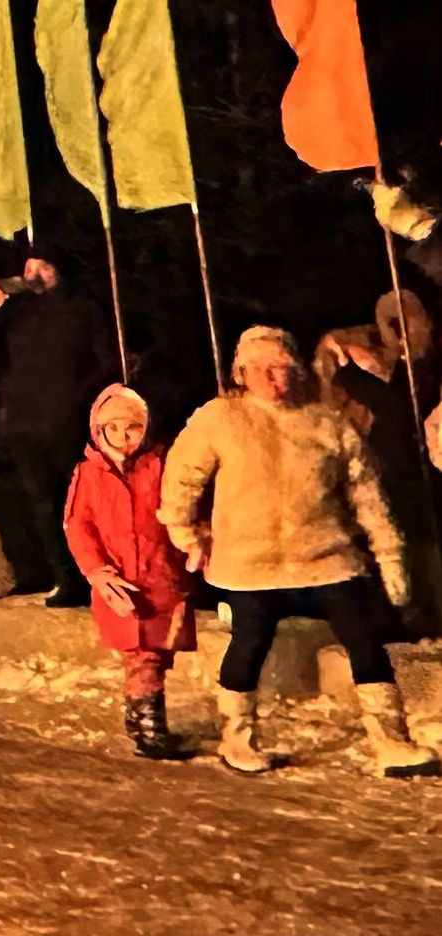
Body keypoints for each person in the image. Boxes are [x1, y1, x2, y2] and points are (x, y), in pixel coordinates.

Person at [159, 325, 433, 778]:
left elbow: (366, 493)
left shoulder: (326, 422)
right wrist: (186, 534)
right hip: (250, 564)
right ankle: (238, 738)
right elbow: (181, 482)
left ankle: (391, 742)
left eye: (285, 368)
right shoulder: (220, 419)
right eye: (264, 369)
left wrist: (389, 554)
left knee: (365, 643)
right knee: (248, 645)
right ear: (242, 372)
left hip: (327, 558)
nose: (276, 379)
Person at [0, 247, 119, 607]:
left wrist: (76, 396)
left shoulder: (82, 309)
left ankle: (100, 573)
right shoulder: (14, 314)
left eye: (42, 265)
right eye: (28, 266)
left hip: (68, 422)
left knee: (81, 503)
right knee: (42, 505)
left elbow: (107, 360)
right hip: (24, 424)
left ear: (58, 269)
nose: (33, 272)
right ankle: (65, 578)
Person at [61, 384, 195, 761]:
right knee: (142, 655)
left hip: (160, 578)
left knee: (157, 653)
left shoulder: (161, 463)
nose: (123, 437)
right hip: (118, 582)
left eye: (132, 428)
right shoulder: (89, 472)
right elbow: (78, 524)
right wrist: (95, 569)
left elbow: (181, 507)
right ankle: (151, 728)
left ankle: (138, 715)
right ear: (98, 430)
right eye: (113, 429)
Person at [315, 325, 439, 638]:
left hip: (411, 474)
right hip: (381, 472)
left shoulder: (414, 375)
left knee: (421, 548)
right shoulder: (356, 383)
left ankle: (420, 616)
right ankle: (399, 619)